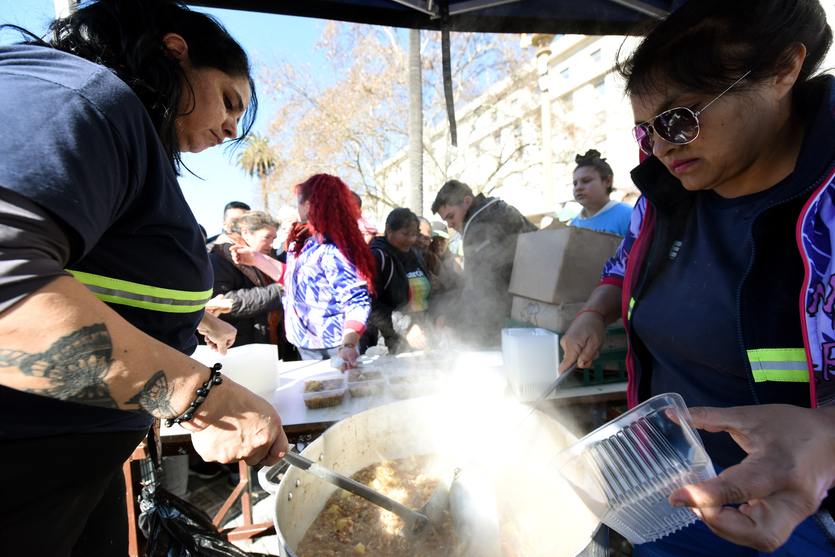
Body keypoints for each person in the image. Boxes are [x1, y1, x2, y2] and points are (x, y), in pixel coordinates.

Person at [0, 2, 289, 555]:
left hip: (75, 472)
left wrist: (191, 316)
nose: (232, 128)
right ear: (173, 51)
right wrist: (199, 395)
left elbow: (88, 272)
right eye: (230, 100)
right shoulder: (80, 96)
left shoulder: (124, 129)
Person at [559, 0, 835, 554]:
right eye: (646, 131)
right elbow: (624, 265)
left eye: (679, 118)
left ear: (783, 70)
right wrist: (594, 311)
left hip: (795, 517)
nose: (660, 147)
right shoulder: (664, 197)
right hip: (663, 490)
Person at [237, 174, 375, 366]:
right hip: (306, 343)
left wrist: (348, 346)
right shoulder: (305, 242)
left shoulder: (333, 249)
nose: (297, 208)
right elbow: (294, 279)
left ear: (308, 206)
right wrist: (256, 259)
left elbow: (357, 301)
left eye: (298, 203)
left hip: (333, 347)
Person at [431, 179, 537, 346]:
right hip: (528, 313)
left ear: (467, 201)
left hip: (504, 321)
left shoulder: (479, 229)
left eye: (451, 216)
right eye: (446, 220)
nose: (450, 225)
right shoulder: (502, 211)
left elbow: (481, 287)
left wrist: (455, 324)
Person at [209, 211, 284, 348]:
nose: (271, 244)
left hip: (266, 339)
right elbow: (221, 301)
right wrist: (276, 292)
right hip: (242, 344)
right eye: (267, 237)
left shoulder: (267, 258)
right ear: (246, 233)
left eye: (273, 238)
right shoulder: (220, 259)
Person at [364, 208, 433, 354]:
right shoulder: (377, 257)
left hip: (422, 336)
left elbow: (426, 295)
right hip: (392, 342)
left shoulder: (415, 255)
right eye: (405, 234)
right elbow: (372, 305)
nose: (411, 240)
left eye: (414, 234)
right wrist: (407, 327)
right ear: (388, 229)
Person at [569, 149, 633, 236]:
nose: (578, 188)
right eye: (575, 183)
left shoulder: (629, 216)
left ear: (607, 181)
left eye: (586, 181)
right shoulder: (573, 225)